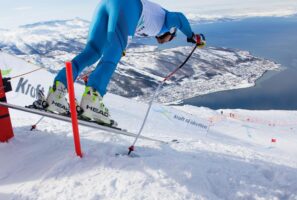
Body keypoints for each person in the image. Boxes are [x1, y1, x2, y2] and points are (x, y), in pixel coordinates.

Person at [33, 0, 206, 127]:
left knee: (92, 52)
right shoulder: (165, 23)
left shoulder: (153, 24)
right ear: (172, 32)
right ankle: (92, 101)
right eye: (171, 38)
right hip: (127, 5)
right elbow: (180, 17)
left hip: (107, 5)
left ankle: (57, 93)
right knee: (114, 52)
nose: (167, 41)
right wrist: (193, 36)